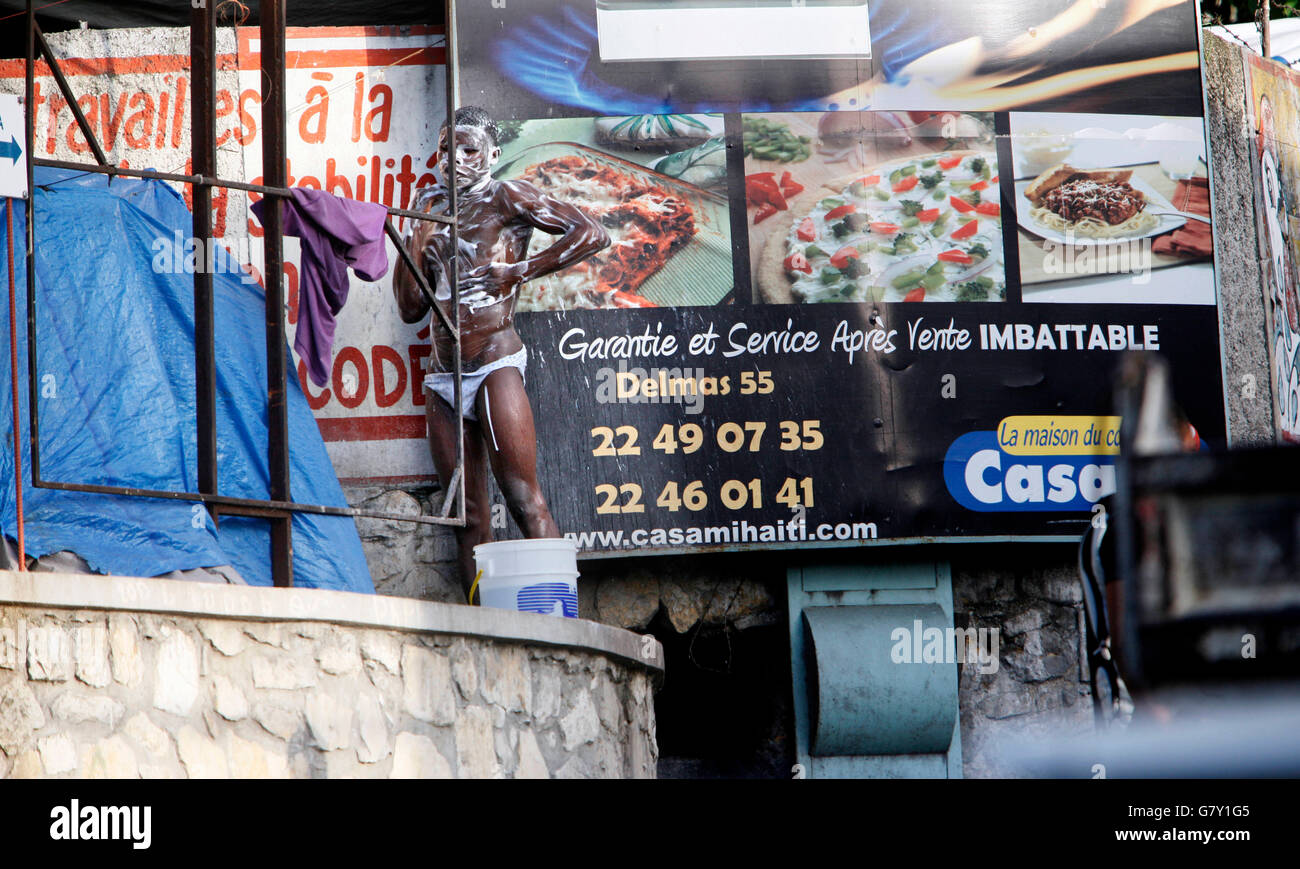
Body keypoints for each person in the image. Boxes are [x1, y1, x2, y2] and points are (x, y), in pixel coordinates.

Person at [393, 106, 610, 599]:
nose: (455, 159)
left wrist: (520, 270)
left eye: (468, 149)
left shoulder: (506, 195)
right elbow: (409, 309)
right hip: (443, 374)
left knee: (522, 498)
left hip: (494, 360)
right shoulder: (426, 204)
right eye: (448, 148)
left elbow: (593, 232)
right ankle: (481, 626)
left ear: (492, 155)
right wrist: (417, 240)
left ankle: (559, 615)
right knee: (464, 514)